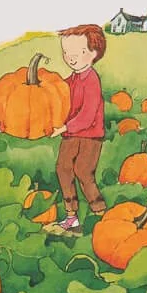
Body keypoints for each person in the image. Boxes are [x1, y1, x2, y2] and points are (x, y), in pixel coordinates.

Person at [52, 22, 107, 230]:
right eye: (66, 52)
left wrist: (65, 127)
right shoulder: (72, 79)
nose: (71, 57)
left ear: (94, 53)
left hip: (90, 136)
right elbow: (59, 91)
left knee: (83, 171)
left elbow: (87, 116)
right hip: (71, 135)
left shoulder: (91, 80)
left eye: (79, 52)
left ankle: (100, 212)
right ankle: (71, 215)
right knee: (63, 168)